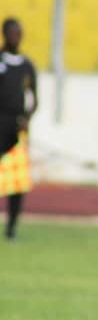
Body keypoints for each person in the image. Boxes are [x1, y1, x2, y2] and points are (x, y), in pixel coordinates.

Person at [0, 17, 38, 240]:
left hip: (17, 128)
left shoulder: (26, 66)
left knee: (17, 180)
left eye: (19, 33)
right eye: (12, 33)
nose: (16, 37)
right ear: (4, 34)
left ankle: (11, 227)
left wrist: (27, 117)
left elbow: (35, 98)